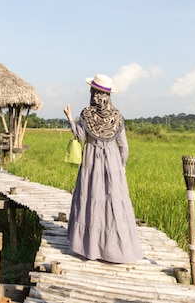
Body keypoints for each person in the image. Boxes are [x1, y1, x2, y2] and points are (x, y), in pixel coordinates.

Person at [63, 74, 143, 263]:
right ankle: (115, 249)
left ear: (93, 93)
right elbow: (124, 146)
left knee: (92, 200)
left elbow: (80, 136)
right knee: (114, 203)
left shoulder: (87, 114)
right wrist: (120, 166)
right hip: (112, 162)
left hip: (91, 161)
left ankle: (90, 248)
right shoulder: (117, 116)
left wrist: (69, 119)